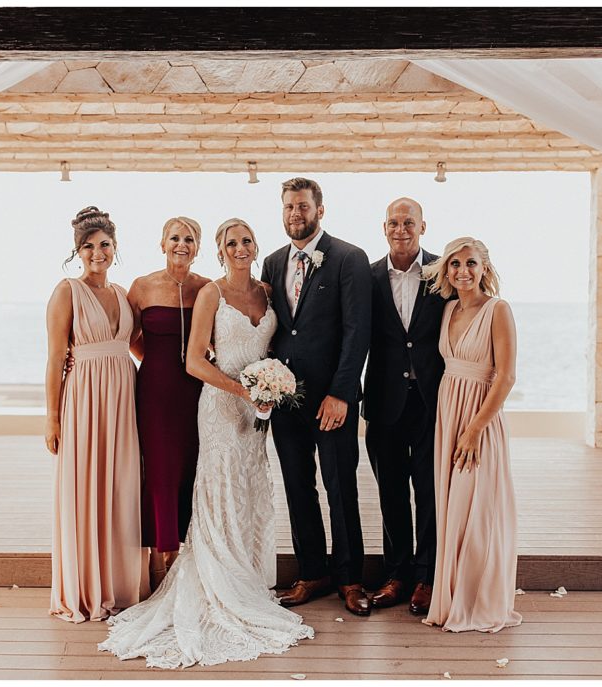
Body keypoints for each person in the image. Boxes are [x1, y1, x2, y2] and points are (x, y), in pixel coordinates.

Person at [99, 218, 314, 669]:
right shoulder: (210, 294)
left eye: (246, 240)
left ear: (257, 247)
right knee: (218, 490)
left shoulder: (268, 293)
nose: (240, 247)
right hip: (221, 404)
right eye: (231, 242)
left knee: (251, 490)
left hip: (259, 410)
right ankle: (215, 582)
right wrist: (244, 390)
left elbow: (273, 348)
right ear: (219, 251)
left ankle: (249, 578)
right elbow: (193, 360)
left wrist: (272, 387)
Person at [260, 178, 373, 617]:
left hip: (332, 400)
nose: (295, 214)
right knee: (298, 488)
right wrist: (263, 386)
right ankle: (312, 572)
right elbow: (272, 330)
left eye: (303, 207)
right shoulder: (271, 263)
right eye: (289, 207)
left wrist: (342, 394)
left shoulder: (349, 258)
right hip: (285, 400)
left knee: (340, 487)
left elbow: (356, 331)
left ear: (319, 211)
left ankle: (349, 578)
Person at [44, 207, 147, 623]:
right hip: (84, 399)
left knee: (121, 487)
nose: (97, 253)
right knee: (85, 487)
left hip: (124, 398)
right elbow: (54, 357)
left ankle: (119, 585)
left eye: (104, 245)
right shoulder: (66, 291)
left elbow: (137, 346)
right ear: (77, 251)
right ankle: (85, 589)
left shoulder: (124, 294)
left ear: (115, 248)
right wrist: (51, 417)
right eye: (88, 246)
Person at [422, 236, 522, 633]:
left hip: (478, 420)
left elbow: (507, 375)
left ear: (484, 269)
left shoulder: (498, 310)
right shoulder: (446, 311)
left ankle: (478, 599)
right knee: (454, 510)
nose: (462, 271)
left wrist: (475, 429)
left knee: (479, 509)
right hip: (449, 415)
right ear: (446, 270)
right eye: (455, 264)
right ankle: (450, 598)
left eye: (471, 264)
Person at [362, 198, 447, 616]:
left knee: (429, 493)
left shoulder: (442, 271)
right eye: (394, 222)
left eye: (408, 222)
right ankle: (397, 575)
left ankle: (427, 577)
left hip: (432, 403)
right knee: (391, 493)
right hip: (382, 403)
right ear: (384, 227)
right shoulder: (367, 275)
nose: (401, 229)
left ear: (423, 226)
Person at [126, 217, 211, 590]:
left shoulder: (208, 288)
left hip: (197, 390)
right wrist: (156, 364)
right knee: (160, 472)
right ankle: (161, 559)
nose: (182, 244)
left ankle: (190, 555)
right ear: (162, 244)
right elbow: (127, 337)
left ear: (198, 246)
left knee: (192, 468)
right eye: (174, 238)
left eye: (189, 238)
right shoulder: (142, 287)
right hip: (156, 391)